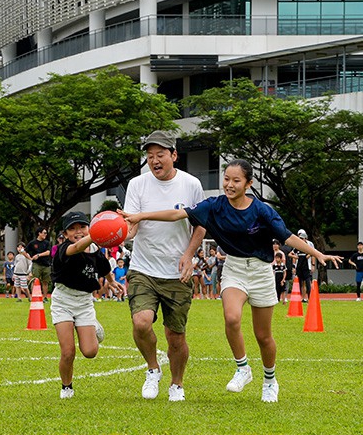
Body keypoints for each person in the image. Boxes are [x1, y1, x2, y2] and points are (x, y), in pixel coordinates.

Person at [124, 159, 342, 403]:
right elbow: (177, 214)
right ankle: (242, 368)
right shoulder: (214, 206)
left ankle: (270, 380)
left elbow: (287, 236)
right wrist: (140, 216)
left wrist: (317, 253)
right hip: (234, 268)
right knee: (231, 318)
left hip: (261, 271)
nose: (229, 184)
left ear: (248, 184)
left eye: (236, 180)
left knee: (263, 336)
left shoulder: (261, 210)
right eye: (226, 179)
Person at [122, 130, 206, 402]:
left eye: (160, 155)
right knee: (141, 322)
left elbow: (200, 225)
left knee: (175, 337)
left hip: (176, 272)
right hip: (143, 268)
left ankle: (176, 384)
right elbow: (132, 225)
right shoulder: (137, 184)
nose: (154, 161)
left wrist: (189, 255)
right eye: (150, 156)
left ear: (174, 155)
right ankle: (152, 368)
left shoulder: (191, 184)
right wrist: (121, 234)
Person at [50, 211, 124, 399]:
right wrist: (98, 234)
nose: (78, 231)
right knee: (68, 352)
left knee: (90, 352)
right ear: (65, 234)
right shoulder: (64, 249)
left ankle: (93, 326)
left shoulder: (96, 251)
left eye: (82, 227)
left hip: (84, 302)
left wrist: (112, 282)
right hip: (63, 301)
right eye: (72, 229)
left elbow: (105, 268)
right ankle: (66, 387)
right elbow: (76, 247)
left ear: (89, 228)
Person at [26, 227, 53, 295]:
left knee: (45, 282)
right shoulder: (32, 243)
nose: (45, 234)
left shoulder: (47, 243)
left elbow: (48, 252)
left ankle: (45, 297)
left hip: (46, 264)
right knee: (35, 280)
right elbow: (24, 251)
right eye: (44, 233)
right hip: (36, 264)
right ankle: (34, 296)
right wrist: (30, 258)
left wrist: (38, 255)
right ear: (39, 233)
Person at [293, 229, 314, 302]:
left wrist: (313, 264)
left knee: (308, 282)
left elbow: (314, 253)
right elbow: (293, 254)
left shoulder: (310, 244)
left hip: (307, 265)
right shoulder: (297, 244)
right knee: (301, 282)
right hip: (299, 265)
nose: (300, 238)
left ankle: (310, 297)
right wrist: (294, 265)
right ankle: (303, 297)